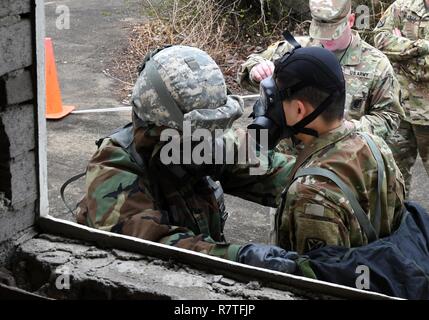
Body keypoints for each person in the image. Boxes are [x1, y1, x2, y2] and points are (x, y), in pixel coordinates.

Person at [76, 45, 300, 274]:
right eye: (201, 130)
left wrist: (322, 183)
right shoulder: (113, 167)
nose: (208, 139)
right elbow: (150, 247)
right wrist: (239, 258)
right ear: (161, 124)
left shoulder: (193, 141)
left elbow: (268, 167)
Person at [248, 40, 405, 255]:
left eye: (274, 100)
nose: (269, 108)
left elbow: (314, 279)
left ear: (299, 109)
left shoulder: (309, 193)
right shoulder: (375, 145)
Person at [239, 0, 404, 143]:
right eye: (322, 29)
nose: (327, 37)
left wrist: (347, 128)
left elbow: (389, 117)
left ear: (351, 20)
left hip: (338, 160)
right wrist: (256, 70)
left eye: (334, 31)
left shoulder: (377, 65)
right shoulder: (295, 49)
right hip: (286, 159)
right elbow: (252, 63)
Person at [374, 0, 429, 194]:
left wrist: (401, 53)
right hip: (400, 109)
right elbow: (380, 38)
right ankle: (400, 223)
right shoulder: (403, 6)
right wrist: (419, 47)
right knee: (393, 178)